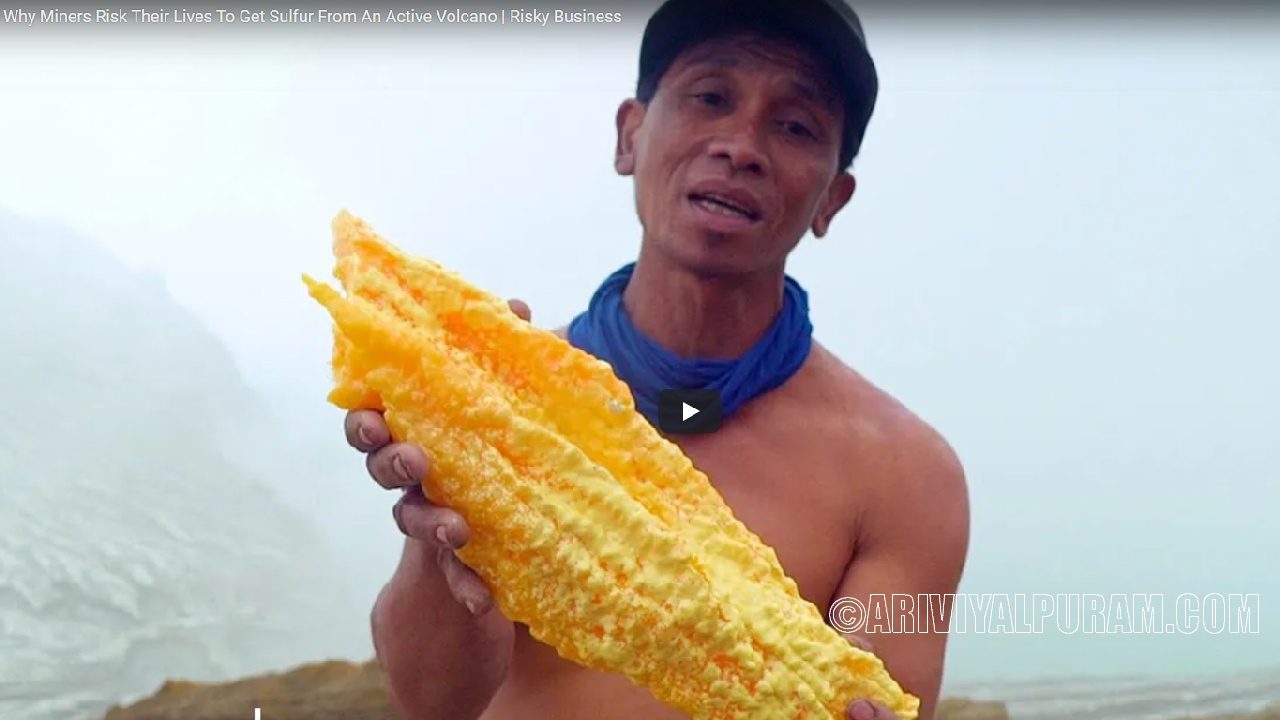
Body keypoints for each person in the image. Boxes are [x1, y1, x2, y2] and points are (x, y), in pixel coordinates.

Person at [344, 1, 970, 718]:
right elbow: (431, 705)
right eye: (710, 98)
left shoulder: (903, 476)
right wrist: (446, 511)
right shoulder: (500, 407)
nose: (741, 146)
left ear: (833, 197)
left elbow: (872, 700)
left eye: (795, 125)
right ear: (630, 135)